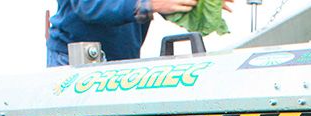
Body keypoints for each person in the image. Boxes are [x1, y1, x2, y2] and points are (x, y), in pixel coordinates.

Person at [47, 0, 233, 67]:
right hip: (72, 62)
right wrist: (150, 4)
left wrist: (202, 3)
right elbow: (89, 5)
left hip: (122, 60)